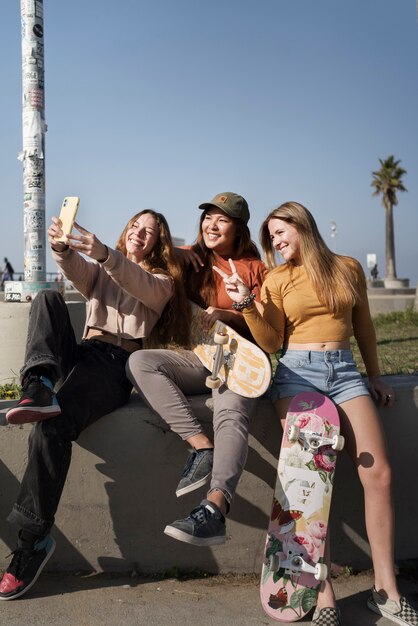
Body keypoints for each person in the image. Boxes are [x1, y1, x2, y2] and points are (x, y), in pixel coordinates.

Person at [214, 201, 418, 626]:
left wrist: (375, 376)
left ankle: (386, 589)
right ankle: (321, 590)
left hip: (344, 373)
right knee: (312, 481)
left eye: (281, 231)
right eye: (270, 237)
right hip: (296, 376)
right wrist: (248, 302)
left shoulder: (347, 268)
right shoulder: (276, 279)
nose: (276, 240)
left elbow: (363, 326)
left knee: (377, 473)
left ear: (302, 226)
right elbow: (271, 342)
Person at [0, 208, 189, 601]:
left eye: (149, 231)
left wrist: (106, 254)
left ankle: (31, 542)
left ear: (158, 242)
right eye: (135, 226)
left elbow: (137, 283)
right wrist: (62, 249)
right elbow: (77, 271)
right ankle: (38, 384)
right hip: (83, 351)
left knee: (52, 428)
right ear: (127, 230)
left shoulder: (161, 281)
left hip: (115, 365)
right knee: (49, 298)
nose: (139, 233)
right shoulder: (103, 269)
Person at [126, 192, 267, 546]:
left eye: (222, 220)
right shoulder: (193, 259)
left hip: (240, 362)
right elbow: (159, 257)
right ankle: (201, 447)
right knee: (140, 362)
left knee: (231, 412)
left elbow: (270, 325)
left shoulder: (257, 269)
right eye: (208, 218)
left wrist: (231, 313)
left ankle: (215, 509)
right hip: (199, 360)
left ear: (239, 229)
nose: (211, 224)